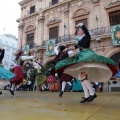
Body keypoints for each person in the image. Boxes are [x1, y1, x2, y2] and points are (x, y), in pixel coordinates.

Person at [55, 23, 118, 103]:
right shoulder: (80, 39)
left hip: (86, 55)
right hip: (81, 56)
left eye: (80, 30)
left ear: (83, 31)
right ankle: (86, 95)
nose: (79, 31)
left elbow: (86, 31)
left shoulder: (87, 36)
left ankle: (92, 93)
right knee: (81, 77)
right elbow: (75, 47)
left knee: (82, 75)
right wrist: (67, 49)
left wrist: (82, 25)